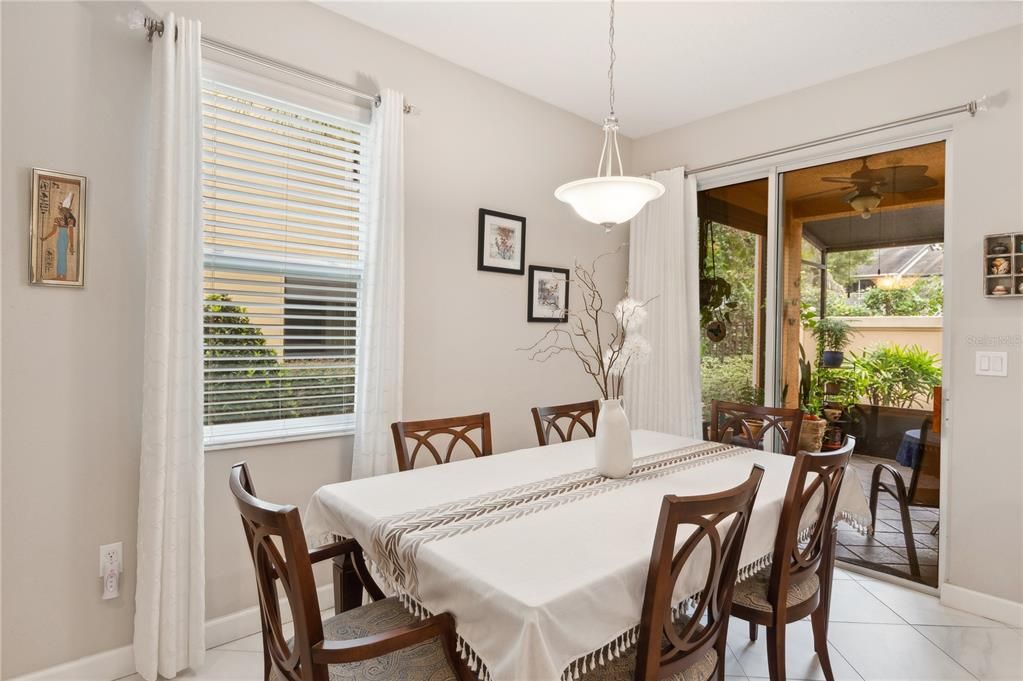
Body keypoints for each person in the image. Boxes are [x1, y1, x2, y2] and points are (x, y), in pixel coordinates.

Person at [42, 192, 76, 280]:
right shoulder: (57, 219)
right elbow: (54, 231)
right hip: (60, 238)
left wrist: (72, 245)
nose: (60, 211)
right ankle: (59, 275)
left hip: (64, 238)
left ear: (66, 211)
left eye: (62, 210)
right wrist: (46, 237)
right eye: (61, 210)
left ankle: (63, 275)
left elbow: (71, 233)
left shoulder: (69, 220)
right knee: (60, 255)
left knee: (63, 256)